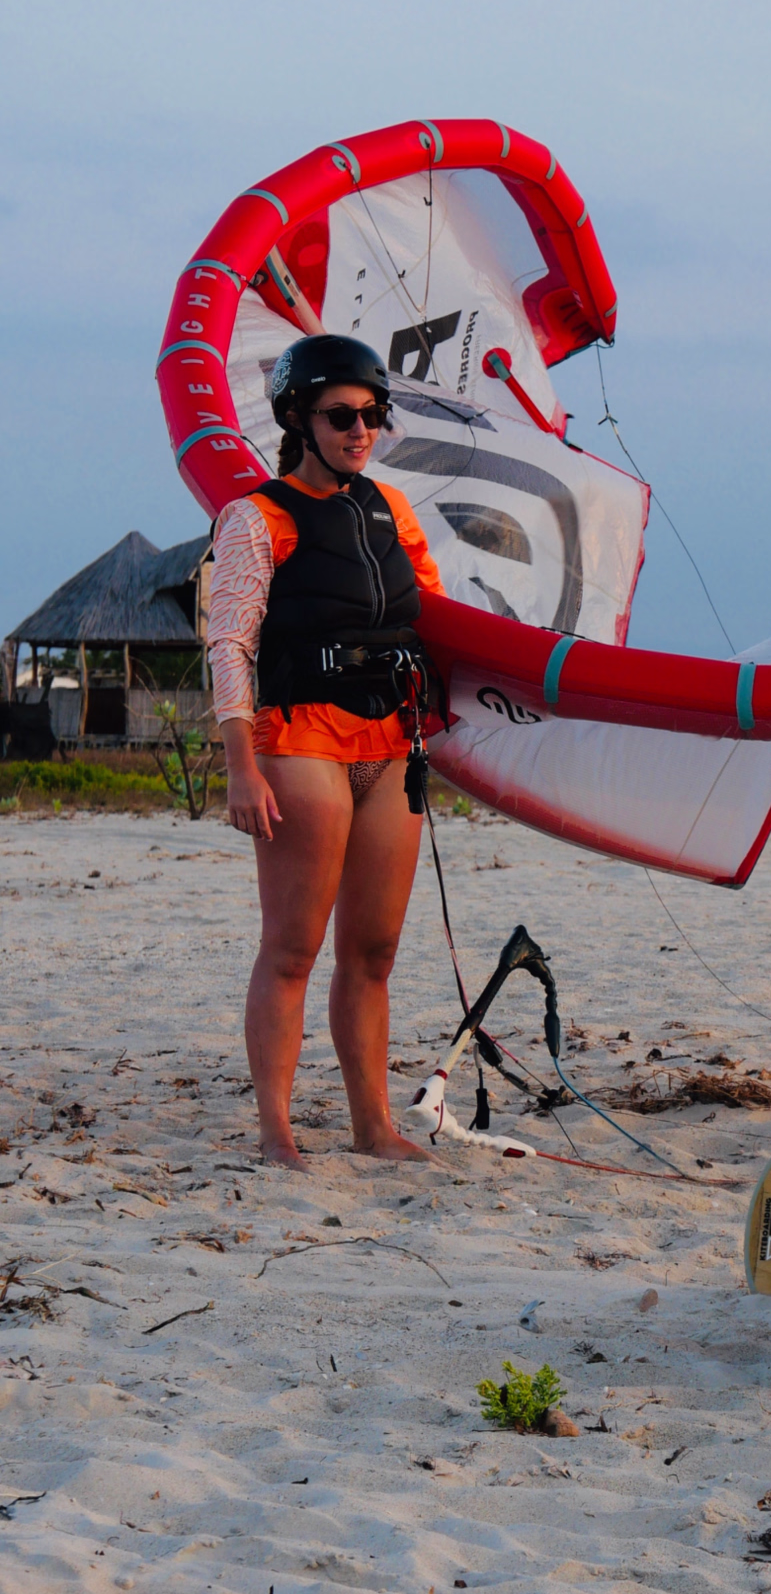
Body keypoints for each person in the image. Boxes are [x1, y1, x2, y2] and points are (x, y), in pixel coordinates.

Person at [207, 334, 442, 1170]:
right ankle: (276, 1130)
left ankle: (373, 1125)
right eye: (342, 415)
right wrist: (240, 763)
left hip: (391, 741)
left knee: (374, 950)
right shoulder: (256, 516)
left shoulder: (391, 509)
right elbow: (230, 643)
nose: (361, 430)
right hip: (300, 737)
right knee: (293, 946)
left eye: (373, 414)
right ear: (296, 420)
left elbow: (442, 617)